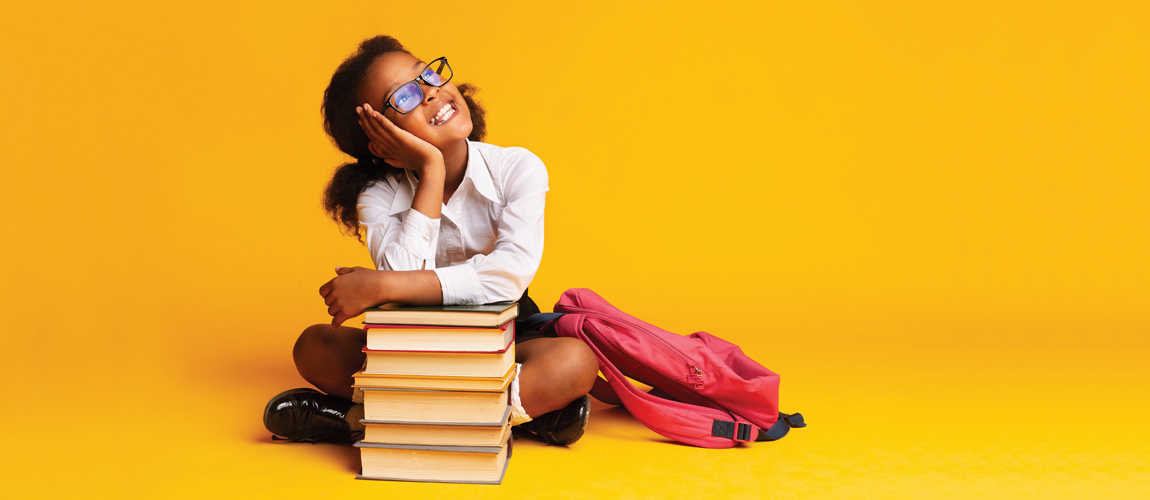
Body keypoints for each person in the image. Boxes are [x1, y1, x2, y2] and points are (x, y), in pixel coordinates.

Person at [262, 36, 599, 446]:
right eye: (403, 96)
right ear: (382, 143)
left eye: (427, 73)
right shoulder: (378, 195)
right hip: (412, 343)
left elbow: (507, 276)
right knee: (314, 346)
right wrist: (430, 169)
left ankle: (358, 420)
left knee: (575, 362)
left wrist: (381, 286)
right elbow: (405, 277)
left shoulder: (518, 168)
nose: (430, 90)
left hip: (505, 337)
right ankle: (511, 418)